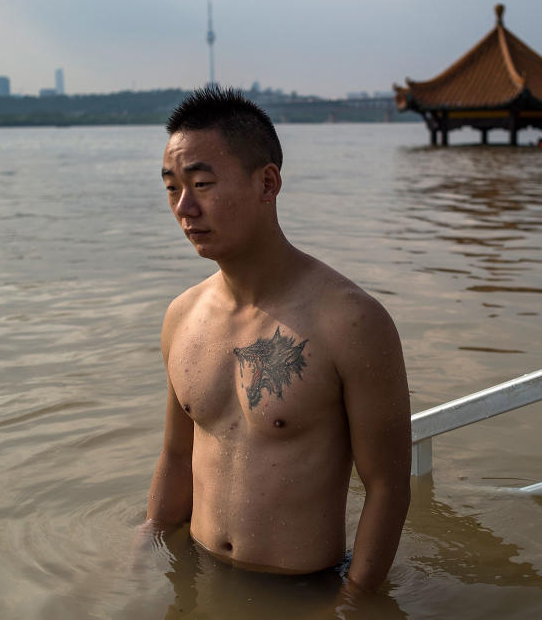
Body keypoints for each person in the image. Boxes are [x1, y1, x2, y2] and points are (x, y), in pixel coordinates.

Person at [136, 86, 412, 599]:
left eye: (202, 183)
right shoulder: (182, 316)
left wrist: (353, 604)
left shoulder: (350, 322)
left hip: (303, 591)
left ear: (267, 184)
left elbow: (389, 488)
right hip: (200, 575)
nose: (184, 207)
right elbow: (176, 457)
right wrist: (146, 549)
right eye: (172, 187)